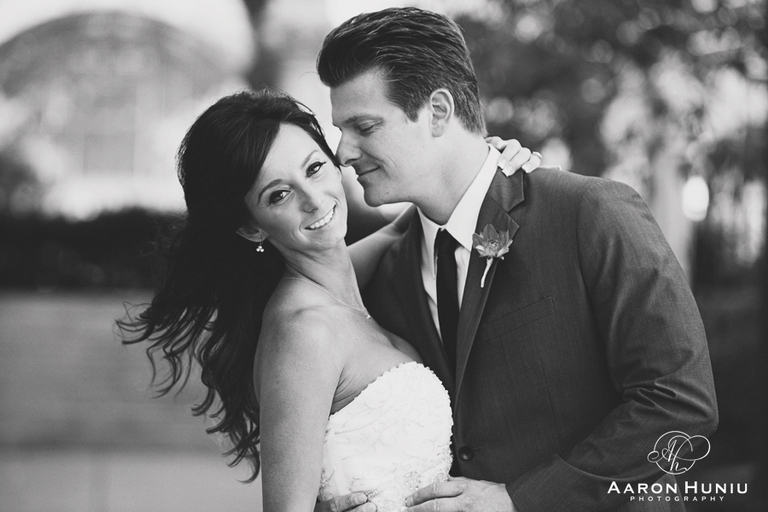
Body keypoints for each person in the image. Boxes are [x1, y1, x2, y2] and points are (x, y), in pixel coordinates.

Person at [315, 7, 718, 512]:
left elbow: (680, 401)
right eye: (341, 130)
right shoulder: (386, 272)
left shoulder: (588, 213)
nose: (343, 152)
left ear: (437, 111)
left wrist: (520, 500)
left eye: (364, 126)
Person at [118, 88, 539, 511]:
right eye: (279, 194)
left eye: (315, 168)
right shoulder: (304, 330)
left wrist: (487, 163)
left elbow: (414, 220)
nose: (314, 200)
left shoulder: (344, 281)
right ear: (251, 227)